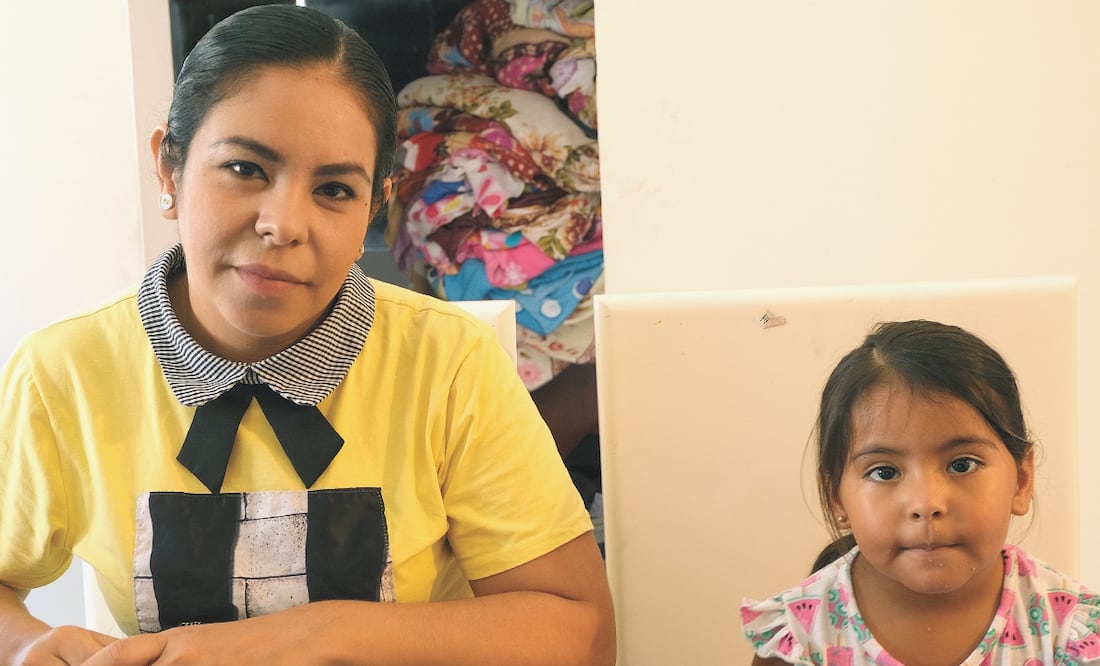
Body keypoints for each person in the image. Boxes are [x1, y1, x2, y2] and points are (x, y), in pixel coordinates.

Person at [0, 5, 614, 665]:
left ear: (374, 208)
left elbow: (579, 631)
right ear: (169, 167)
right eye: (245, 169)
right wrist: (29, 643)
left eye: (333, 189)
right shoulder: (65, 371)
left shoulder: (445, 364)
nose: (283, 224)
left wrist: (317, 637)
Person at [741, 320, 1100, 665]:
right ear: (837, 497)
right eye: (884, 472)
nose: (926, 503)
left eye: (963, 464)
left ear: (1021, 481)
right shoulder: (797, 643)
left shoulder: (1072, 634)